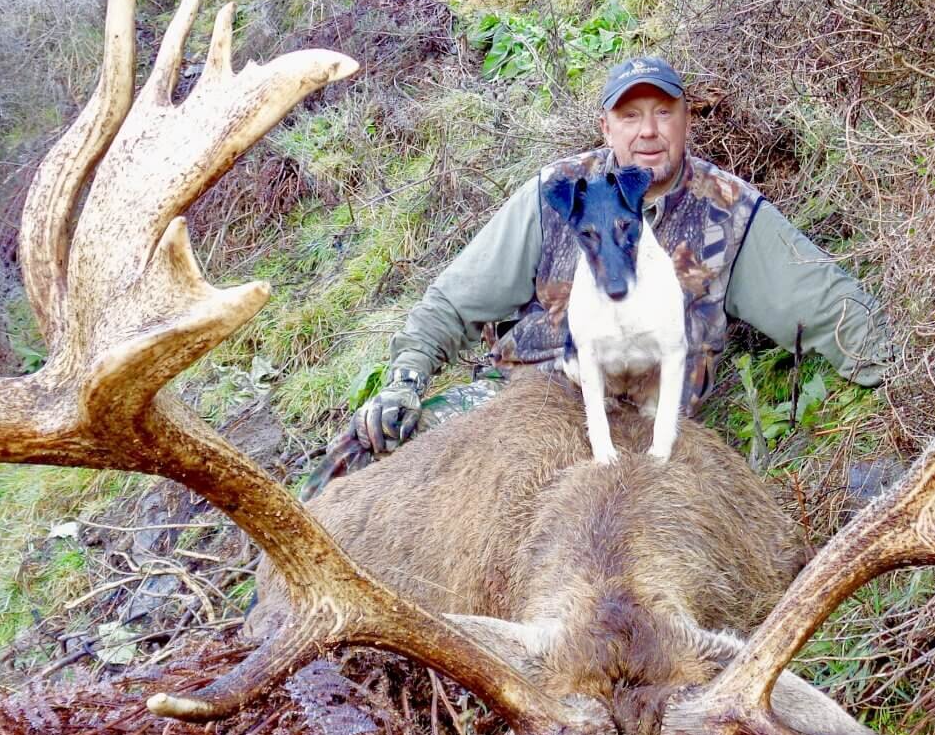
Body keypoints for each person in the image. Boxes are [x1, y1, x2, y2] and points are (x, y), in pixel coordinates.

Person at [351, 55, 893, 454]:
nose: (649, 131)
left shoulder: (728, 213)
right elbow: (452, 303)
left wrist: (911, 369)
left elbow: (826, 305)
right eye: (630, 116)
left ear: (687, 120)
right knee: (365, 455)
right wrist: (405, 383)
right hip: (520, 407)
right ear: (605, 127)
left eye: (663, 111)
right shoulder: (556, 193)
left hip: (642, 432)